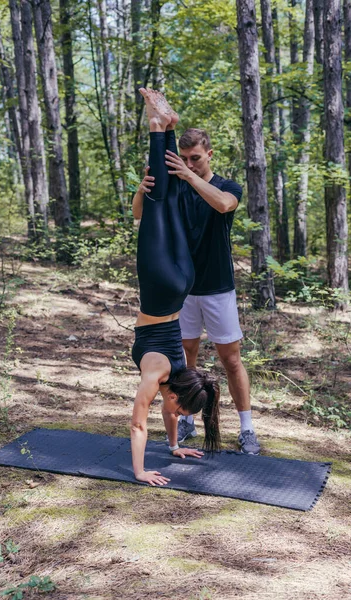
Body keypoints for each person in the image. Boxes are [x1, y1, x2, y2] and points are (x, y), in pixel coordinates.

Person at [133, 125, 260, 456]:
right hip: (182, 293)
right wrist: (141, 189)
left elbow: (223, 205)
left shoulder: (225, 185)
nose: (188, 163)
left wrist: (188, 177)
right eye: (184, 159)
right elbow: (140, 215)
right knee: (184, 360)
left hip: (218, 288)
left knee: (231, 359)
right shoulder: (176, 185)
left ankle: (247, 428)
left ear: (209, 155)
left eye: (195, 158)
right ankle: (186, 418)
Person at [130, 88, 221, 487]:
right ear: (178, 396)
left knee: (160, 199)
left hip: (182, 284)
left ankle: (166, 125)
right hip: (161, 285)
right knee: (157, 204)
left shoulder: (181, 373)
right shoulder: (157, 374)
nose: (176, 415)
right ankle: (156, 126)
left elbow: (168, 412)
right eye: (183, 412)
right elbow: (137, 424)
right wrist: (139, 470)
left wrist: (172, 448)